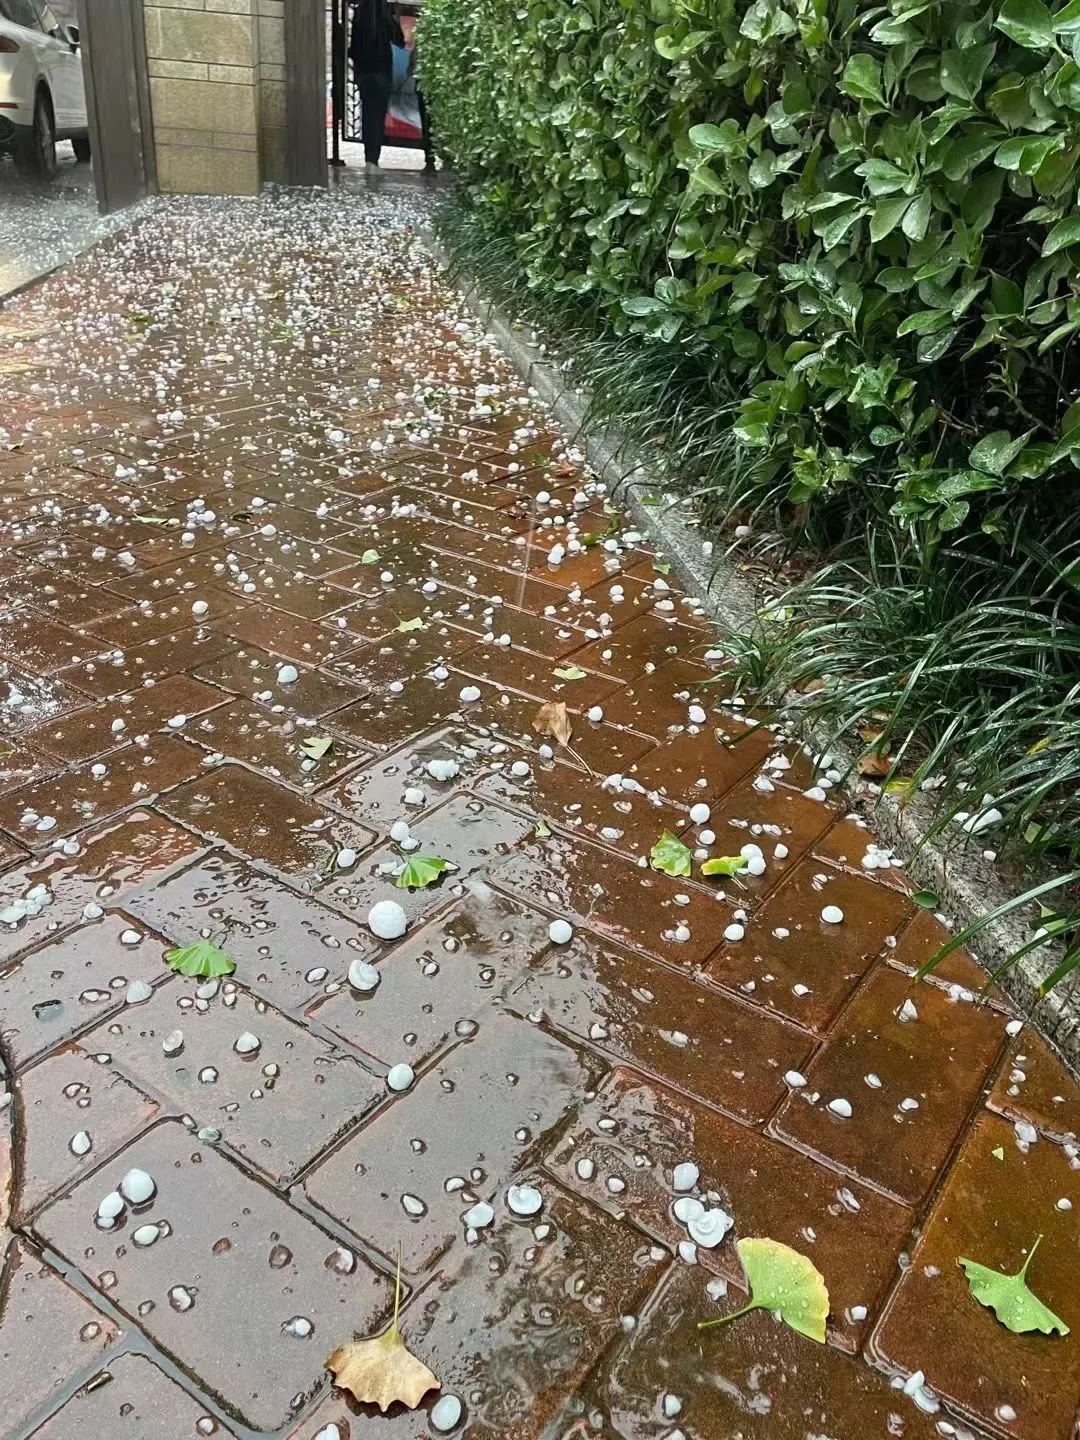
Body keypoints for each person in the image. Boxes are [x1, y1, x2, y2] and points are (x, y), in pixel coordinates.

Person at [348, 0, 404, 168]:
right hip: (382, 73)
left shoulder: (359, 15)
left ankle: (368, 158)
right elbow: (399, 40)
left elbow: (353, 48)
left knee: (367, 113)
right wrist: (397, 17)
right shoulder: (387, 16)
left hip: (365, 73)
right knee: (378, 116)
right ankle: (374, 157)